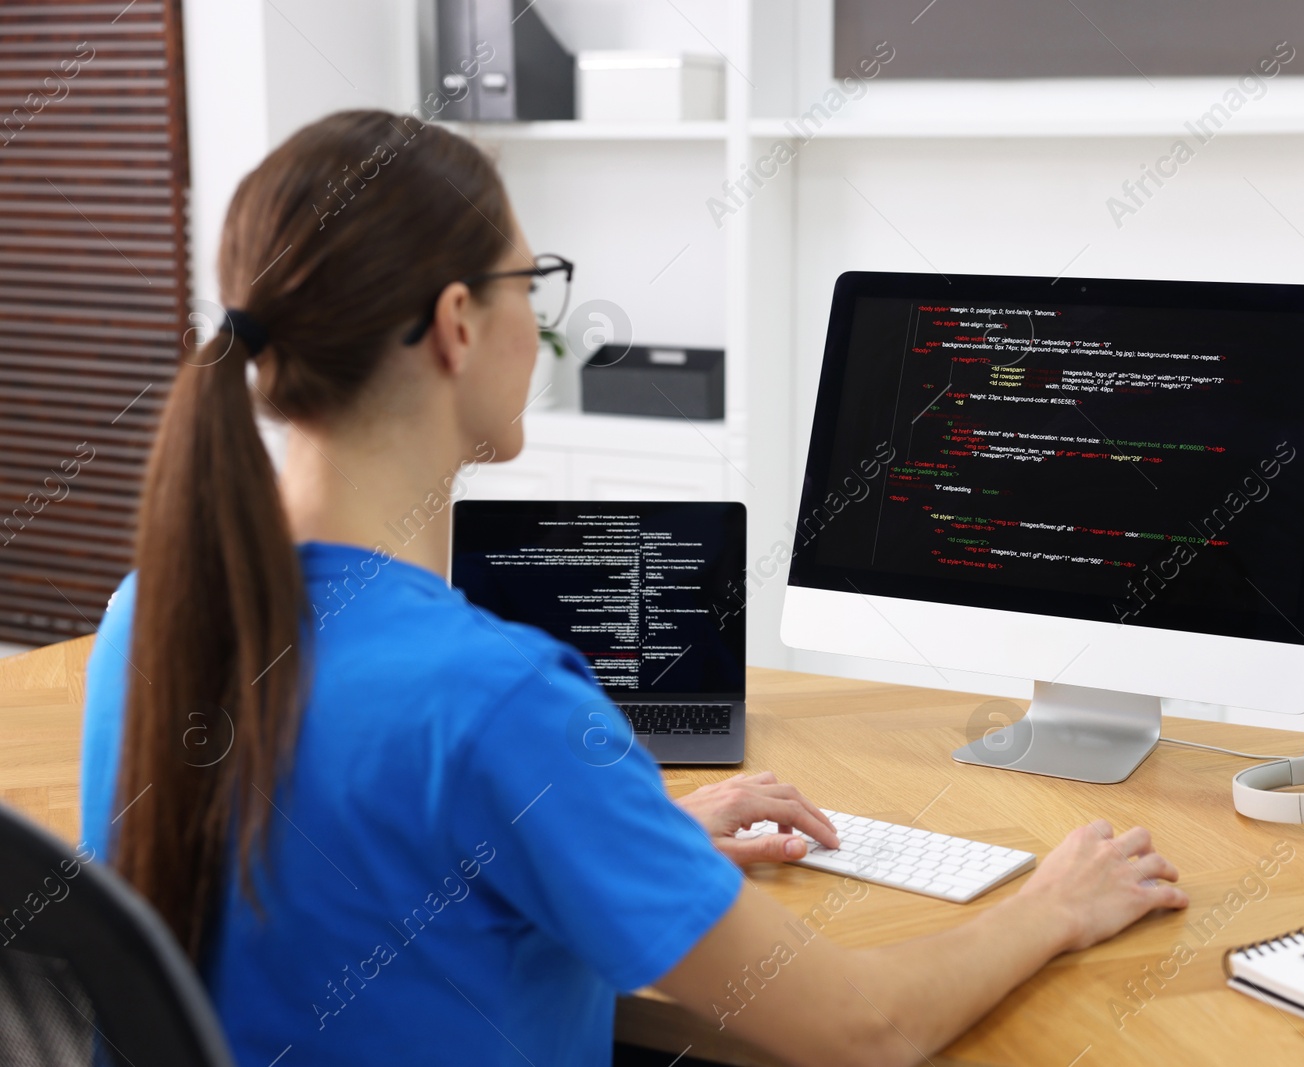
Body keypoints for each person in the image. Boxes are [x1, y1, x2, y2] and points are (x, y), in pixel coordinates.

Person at [80, 110, 1187, 1067]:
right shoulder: (498, 700)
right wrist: (1054, 904)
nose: (544, 322)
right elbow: (864, 1029)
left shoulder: (151, 616)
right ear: (459, 324)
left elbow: (364, 876)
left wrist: (624, 831)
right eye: (534, 281)